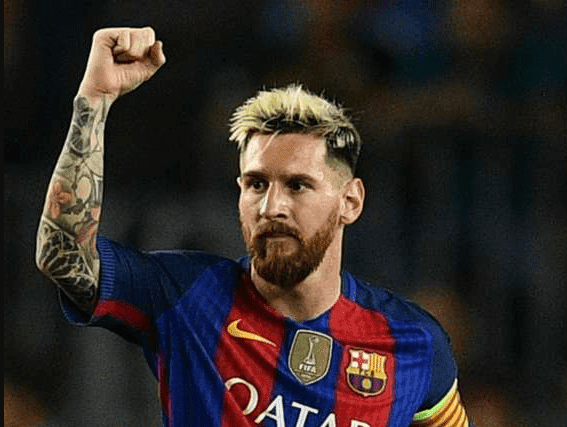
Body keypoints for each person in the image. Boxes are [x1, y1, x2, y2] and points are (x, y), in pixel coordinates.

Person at [35, 27, 475, 427]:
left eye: (297, 185)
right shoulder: (187, 295)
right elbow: (63, 255)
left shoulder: (413, 343)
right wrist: (93, 100)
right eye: (257, 184)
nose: (271, 207)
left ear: (350, 202)